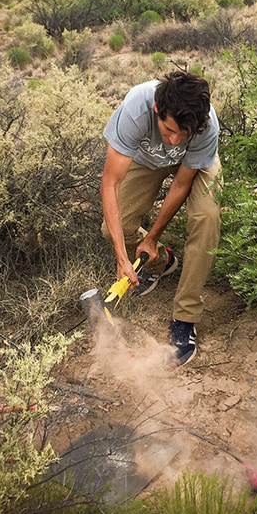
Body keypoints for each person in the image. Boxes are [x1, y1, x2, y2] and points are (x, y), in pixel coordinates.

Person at [100, 71, 221, 366]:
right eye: (168, 130)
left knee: (207, 217)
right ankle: (164, 260)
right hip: (146, 159)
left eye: (183, 134)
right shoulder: (136, 107)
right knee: (114, 229)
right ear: (157, 110)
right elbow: (110, 184)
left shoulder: (206, 127)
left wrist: (152, 235)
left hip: (193, 165)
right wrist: (121, 256)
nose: (175, 139)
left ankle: (184, 317)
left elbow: (180, 185)